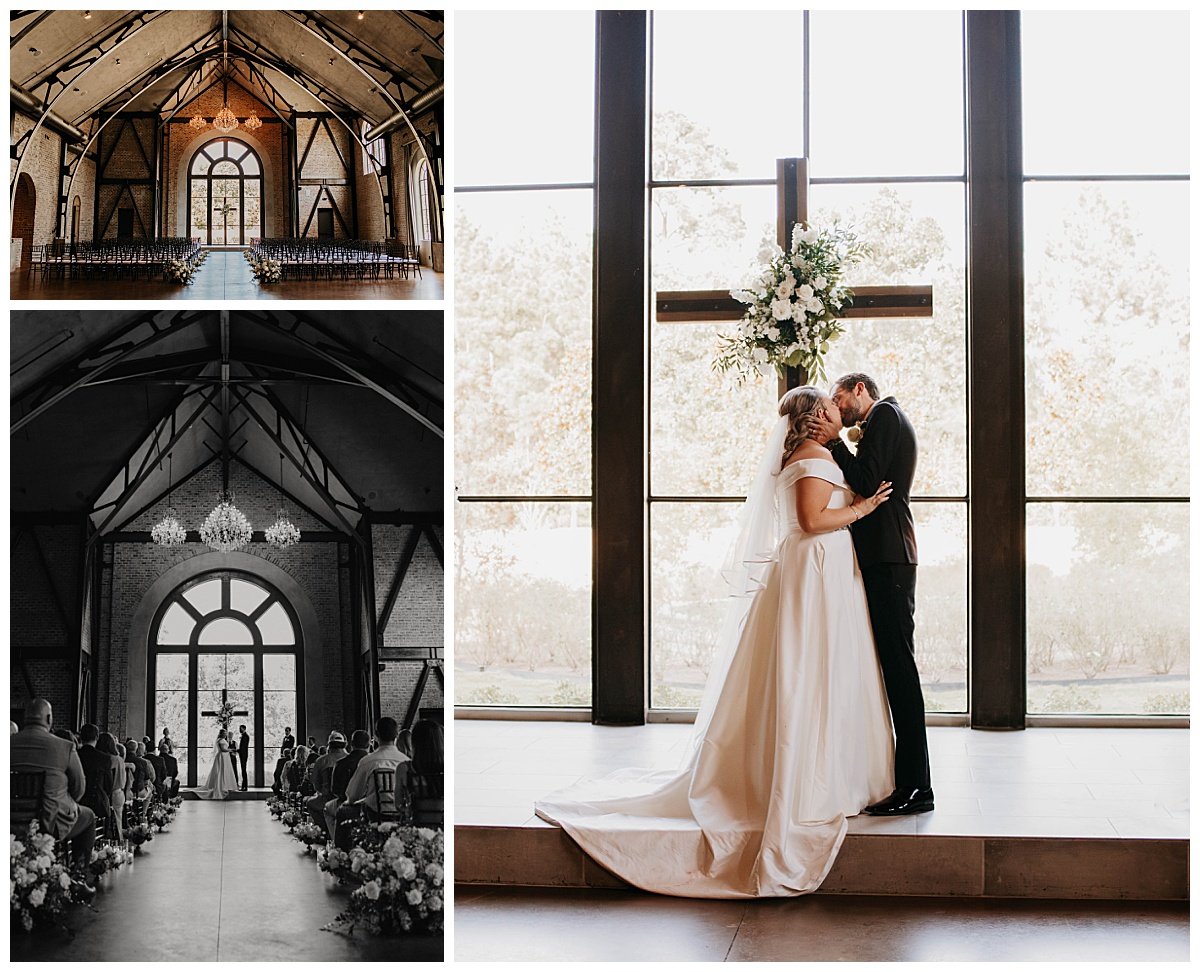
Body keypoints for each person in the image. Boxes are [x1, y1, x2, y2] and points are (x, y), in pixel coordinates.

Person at [535, 386, 896, 897]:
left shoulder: (807, 452)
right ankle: (804, 779)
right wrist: (862, 509)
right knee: (810, 671)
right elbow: (813, 521)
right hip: (815, 570)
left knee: (814, 670)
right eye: (831, 404)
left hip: (819, 571)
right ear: (817, 415)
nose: (839, 409)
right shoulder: (813, 455)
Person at [809, 372, 932, 816]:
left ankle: (918, 787)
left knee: (901, 669)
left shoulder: (885, 415)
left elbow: (865, 480)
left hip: (890, 558)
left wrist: (836, 441)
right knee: (895, 668)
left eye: (840, 398)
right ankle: (910, 782)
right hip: (883, 558)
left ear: (860, 389)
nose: (837, 410)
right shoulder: (884, 419)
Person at [10, 699, 96, 873]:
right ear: (49, 719)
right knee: (89, 817)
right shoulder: (64, 747)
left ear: (25, 718)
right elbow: (79, 787)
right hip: (50, 821)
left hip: (10, 821)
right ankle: (78, 876)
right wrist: (68, 801)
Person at [345, 717, 410, 821]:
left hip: (374, 815)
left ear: (376, 735)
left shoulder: (368, 761)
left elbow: (353, 795)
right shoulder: (406, 761)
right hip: (401, 816)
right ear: (396, 735)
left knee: (342, 811)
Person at [326, 730, 370, 844]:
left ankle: (335, 842)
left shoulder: (341, 763)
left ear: (351, 744)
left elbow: (334, 790)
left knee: (327, 808)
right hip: (371, 806)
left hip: (347, 803)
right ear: (369, 744)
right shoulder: (372, 761)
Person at [77, 723, 115, 840]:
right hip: (98, 803)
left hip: (78, 803)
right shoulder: (105, 758)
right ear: (97, 737)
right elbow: (109, 785)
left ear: (81, 738)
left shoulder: (76, 755)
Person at [306, 731, 347, 834]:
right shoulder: (350, 758)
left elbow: (315, 783)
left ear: (329, 745)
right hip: (347, 799)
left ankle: (324, 830)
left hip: (327, 798)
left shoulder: (322, 760)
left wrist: (324, 792)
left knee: (310, 804)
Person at [98, 732, 126, 839]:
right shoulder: (119, 758)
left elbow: (109, 777)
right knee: (118, 822)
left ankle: (108, 844)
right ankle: (120, 842)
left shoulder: (108, 759)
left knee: (108, 823)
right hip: (120, 791)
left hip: (111, 793)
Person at [195, 729, 237, 800]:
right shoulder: (220, 740)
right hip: (222, 756)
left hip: (225, 756)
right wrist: (231, 750)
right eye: (224, 733)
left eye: (225, 733)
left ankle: (226, 785)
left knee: (225, 770)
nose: (225, 734)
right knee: (220, 770)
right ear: (221, 734)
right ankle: (220, 785)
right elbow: (223, 749)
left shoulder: (223, 740)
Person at [237, 725, 250, 791]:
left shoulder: (245, 736)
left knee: (244, 770)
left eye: (240, 728)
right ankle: (243, 786)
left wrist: (237, 750)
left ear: (244, 729)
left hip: (243, 755)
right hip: (242, 754)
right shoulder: (244, 736)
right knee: (243, 770)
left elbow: (243, 747)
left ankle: (245, 786)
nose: (239, 730)